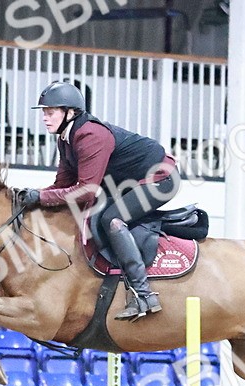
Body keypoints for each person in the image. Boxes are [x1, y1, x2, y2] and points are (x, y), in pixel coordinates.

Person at [26, 80, 178, 321]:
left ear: (70, 112)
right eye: (44, 112)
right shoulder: (65, 139)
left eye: (50, 112)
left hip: (160, 178)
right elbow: (63, 185)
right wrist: (32, 196)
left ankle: (143, 294)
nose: (45, 118)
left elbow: (86, 191)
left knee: (112, 219)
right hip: (126, 182)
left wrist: (42, 197)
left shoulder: (90, 135)